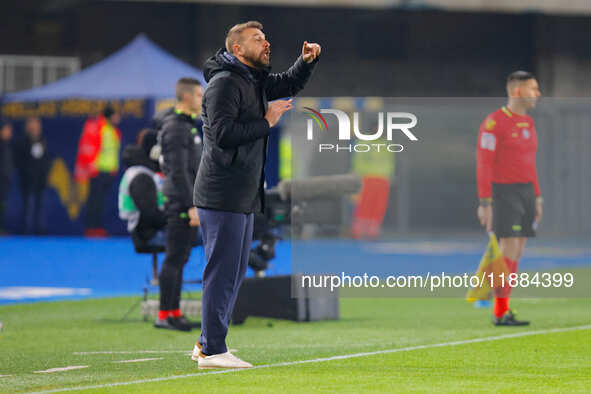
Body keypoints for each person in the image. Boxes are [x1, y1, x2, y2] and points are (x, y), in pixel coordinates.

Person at [192, 21, 321, 369]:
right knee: (222, 272)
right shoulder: (224, 84)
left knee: (233, 273)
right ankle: (213, 350)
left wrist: (305, 62)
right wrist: (266, 121)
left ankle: (208, 342)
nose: (266, 44)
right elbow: (222, 134)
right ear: (237, 49)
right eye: (257, 39)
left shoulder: (252, 79)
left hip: (242, 193)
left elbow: (287, 84)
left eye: (265, 38)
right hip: (222, 193)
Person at [476, 70, 542, 326]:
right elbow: (484, 163)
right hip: (504, 193)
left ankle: (498, 301)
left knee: (517, 251)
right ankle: (498, 308)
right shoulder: (494, 123)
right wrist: (485, 202)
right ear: (517, 91)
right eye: (533, 89)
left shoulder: (529, 123)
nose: (537, 94)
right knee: (508, 249)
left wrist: (537, 197)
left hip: (526, 192)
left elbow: (530, 162)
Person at [154, 78, 203, 332]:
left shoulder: (188, 126)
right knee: (174, 257)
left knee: (181, 257)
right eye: (197, 95)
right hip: (180, 201)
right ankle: (164, 313)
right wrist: (190, 204)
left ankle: (173, 311)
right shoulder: (175, 128)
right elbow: (178, 171)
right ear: (185, 97)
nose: (201, 99)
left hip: (187, 200)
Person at [74, 106, 122, 237]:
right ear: (111, 116)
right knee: (94, 201)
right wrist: (90, 166)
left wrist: (114, 168)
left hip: (108, 172)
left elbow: (113, 152)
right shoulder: (98, 128)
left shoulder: (113, 130)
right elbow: (88, 147)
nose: (119, 118)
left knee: (101, 202)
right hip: (97, 171)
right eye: (116, 115)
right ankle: (91, 227)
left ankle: (97, 227)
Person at [118, 129, 167, 248]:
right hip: (149, 234)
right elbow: (151, 214)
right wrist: (179, 220)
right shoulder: (141, 176)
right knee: (203, 234)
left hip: (150, 230)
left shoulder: (146, 172)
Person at [13, 117, 50, 234]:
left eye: (37, 125)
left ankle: (41, 230)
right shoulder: (22, 141)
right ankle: (26, 231)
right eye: (33, 125)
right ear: (28, 127)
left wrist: (45, 172)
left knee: (41, 205)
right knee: (28, 206)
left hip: (40, 179)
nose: (35, 127)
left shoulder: (42, 140)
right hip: (27, 180)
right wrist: (27, 172)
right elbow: (18, 161)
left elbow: (45, 159)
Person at [0, 121, 13, 234]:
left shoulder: (8, 145)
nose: (9, 132)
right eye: (7, 129)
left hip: (5, 180)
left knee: (3, 204)